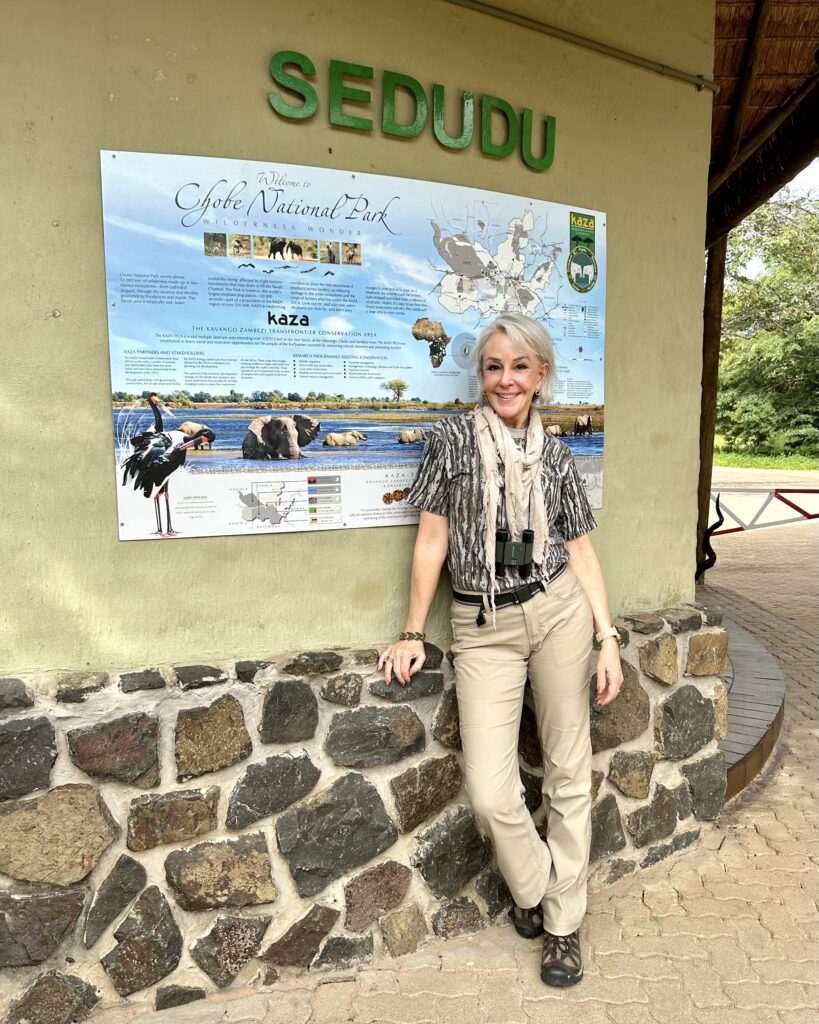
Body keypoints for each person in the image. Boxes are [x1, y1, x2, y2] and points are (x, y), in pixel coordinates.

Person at [377, 313, 623, 987]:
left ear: (540, 375)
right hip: (481, 622)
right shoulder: (452, 440)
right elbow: (430, 541)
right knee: (490, 790)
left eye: (519, 366)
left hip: (558, 612)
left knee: (568, 772)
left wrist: (607, 638)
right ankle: (539, 888)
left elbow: (578, 549)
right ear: (480, 374)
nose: (505, 379)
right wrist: (409, 629)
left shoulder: (557, 454)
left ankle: (562, 925)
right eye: (492, 366)